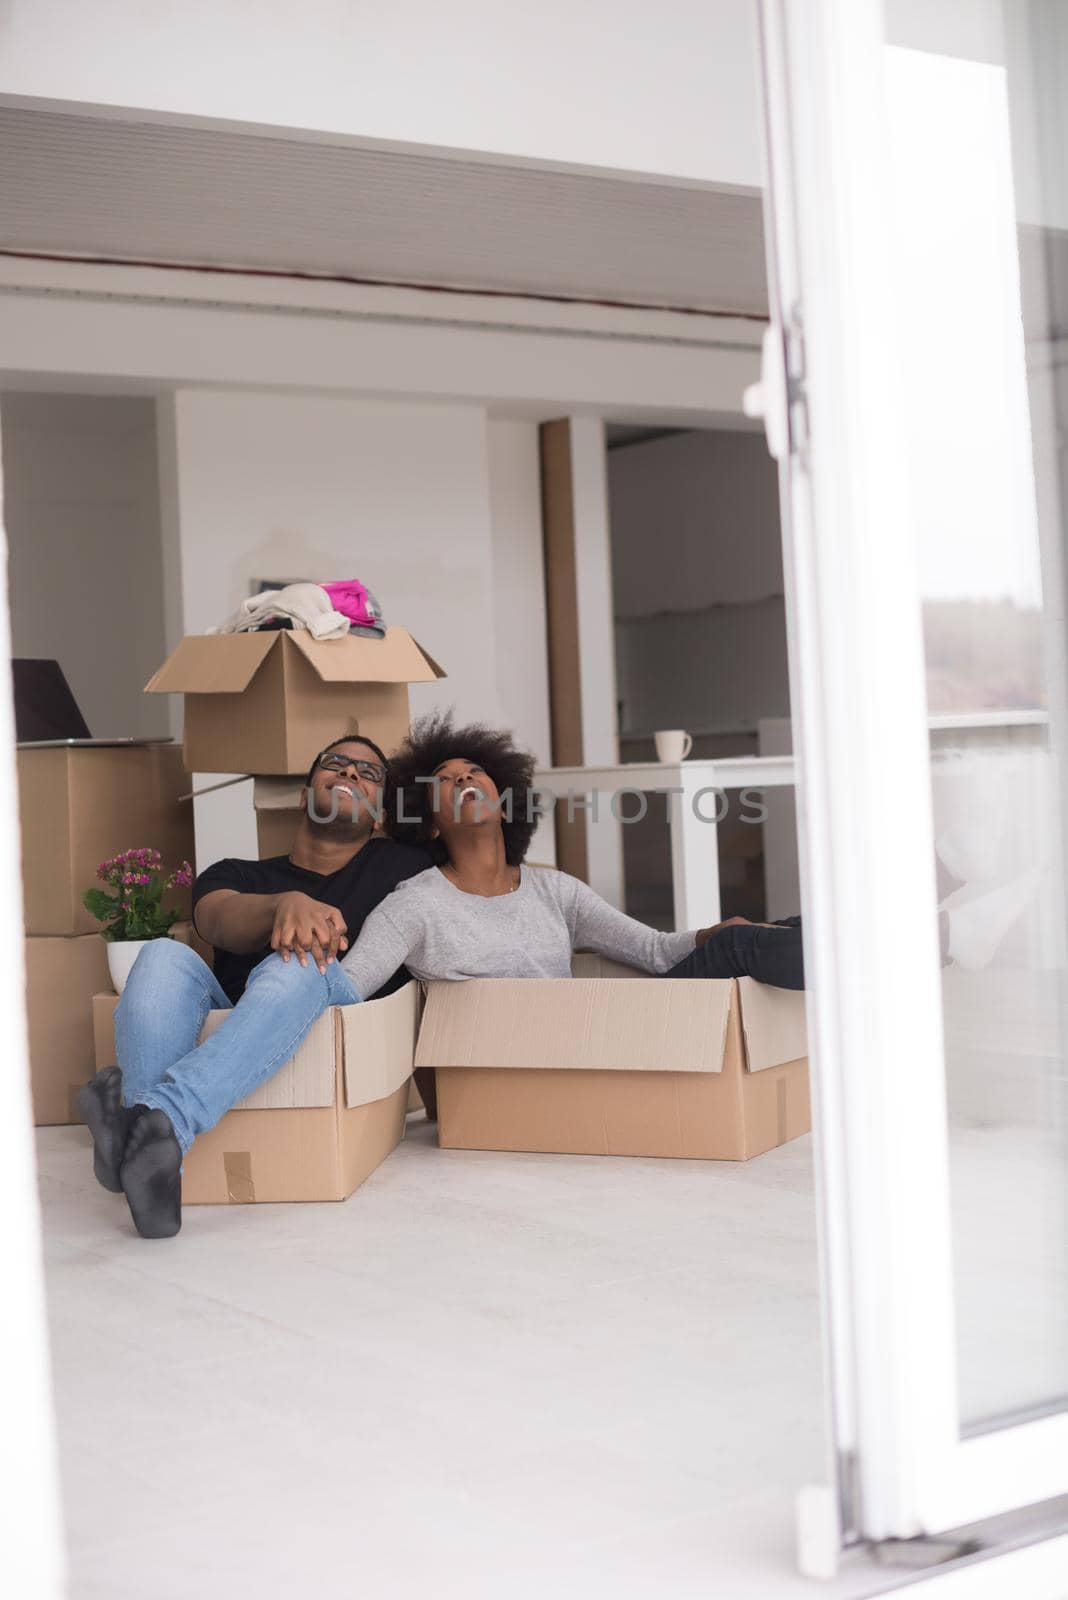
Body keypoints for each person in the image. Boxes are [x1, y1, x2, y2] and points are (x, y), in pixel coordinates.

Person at [342, 715, 805, 1114]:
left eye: (475, 771)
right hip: (521, 1071)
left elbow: (655, 952)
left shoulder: (555, 890)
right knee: (740, 946)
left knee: (770, 931)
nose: (464, 779)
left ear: (504, 804)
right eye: (444, 778)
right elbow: (349, 987)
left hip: (590, 1045)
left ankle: (852, 955)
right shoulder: (415, 903)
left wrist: (708, 934)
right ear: (427, 821)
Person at [78, 736, 431, 1240]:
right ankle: (152, 1167)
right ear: (304, 794)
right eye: (336, 764)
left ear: (380, 817)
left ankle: (149, 1122)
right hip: (240, 1014)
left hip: (329, 1003)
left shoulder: (402, 867)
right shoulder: (238, 873)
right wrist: (281, 905)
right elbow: (214, 920)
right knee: (160, 955)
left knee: (302, 961)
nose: (351, 773)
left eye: (369, 774)